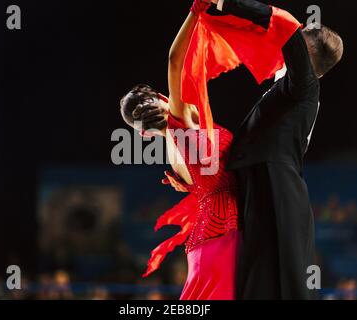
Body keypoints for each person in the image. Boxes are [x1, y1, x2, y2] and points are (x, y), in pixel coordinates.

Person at [207, 0, 344, 299]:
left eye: (299, 38)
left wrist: (225, 3)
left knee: (279, 281)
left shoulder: (304, 86)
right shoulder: (289, 90)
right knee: (260, 276)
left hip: (277, 189)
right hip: (266, 185)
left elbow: (285, 26)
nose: (286, 42)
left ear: (305, 53)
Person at [120, 0, 240, 300]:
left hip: (212, 241)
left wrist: (192, 189)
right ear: (160, 99)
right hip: (223, 237)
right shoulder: (180, 121)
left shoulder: (173, 150)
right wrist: (196, 10)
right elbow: (176, 58)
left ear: (143, 134)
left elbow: (211, 183)